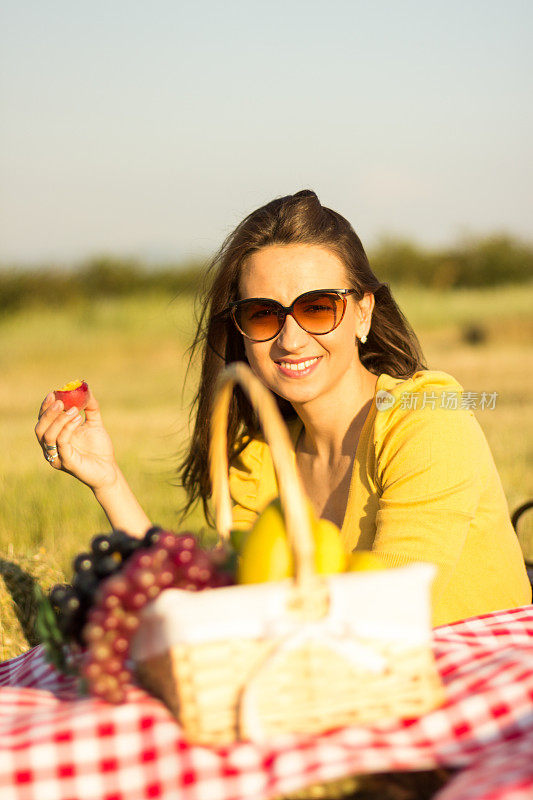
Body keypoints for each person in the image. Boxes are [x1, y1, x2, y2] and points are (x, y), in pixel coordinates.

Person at [35, 189, 531, 626]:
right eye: (263, 314)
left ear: (363, 313)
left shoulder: (426, 420)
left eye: (318, 307)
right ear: (242, 330)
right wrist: (109, 480)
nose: (291, 339)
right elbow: (220, 603)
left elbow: (394, 606)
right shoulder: (259, 460)